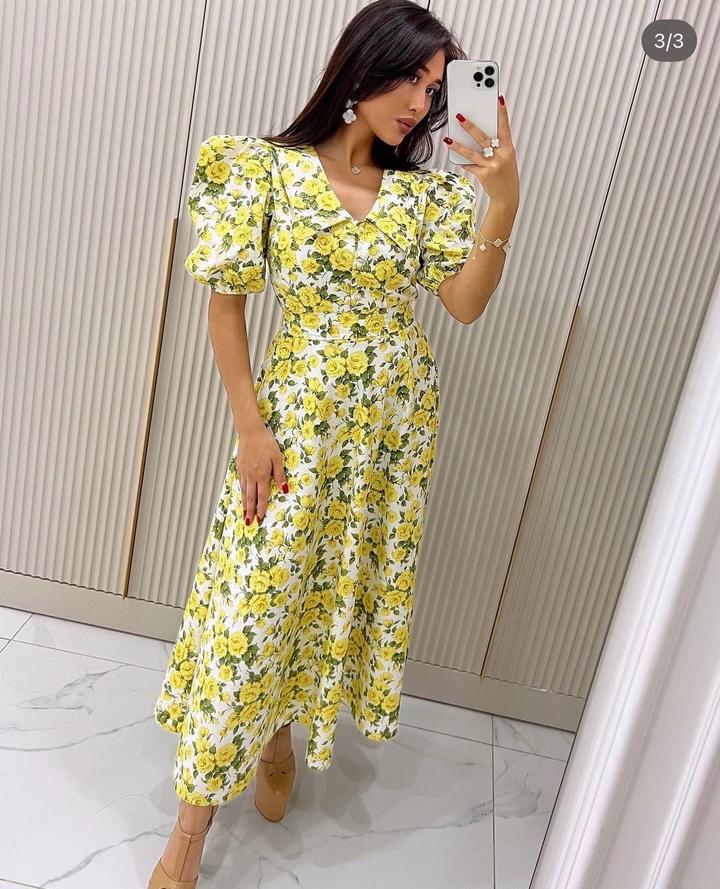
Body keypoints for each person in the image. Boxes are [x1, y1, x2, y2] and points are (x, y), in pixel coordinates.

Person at [148, 1, 519, 885]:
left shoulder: (425, 196)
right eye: (411, 80)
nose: (422, 104)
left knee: (325, 591)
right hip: (295, 422)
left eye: (436, 90)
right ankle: (188, 835)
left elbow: (464, 305)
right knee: (253, 604)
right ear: (362, 67)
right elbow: (227, 307)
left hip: (391, 433)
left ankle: (279, 734)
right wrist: (250, 427)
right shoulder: (266, 171)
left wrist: (503, 199)